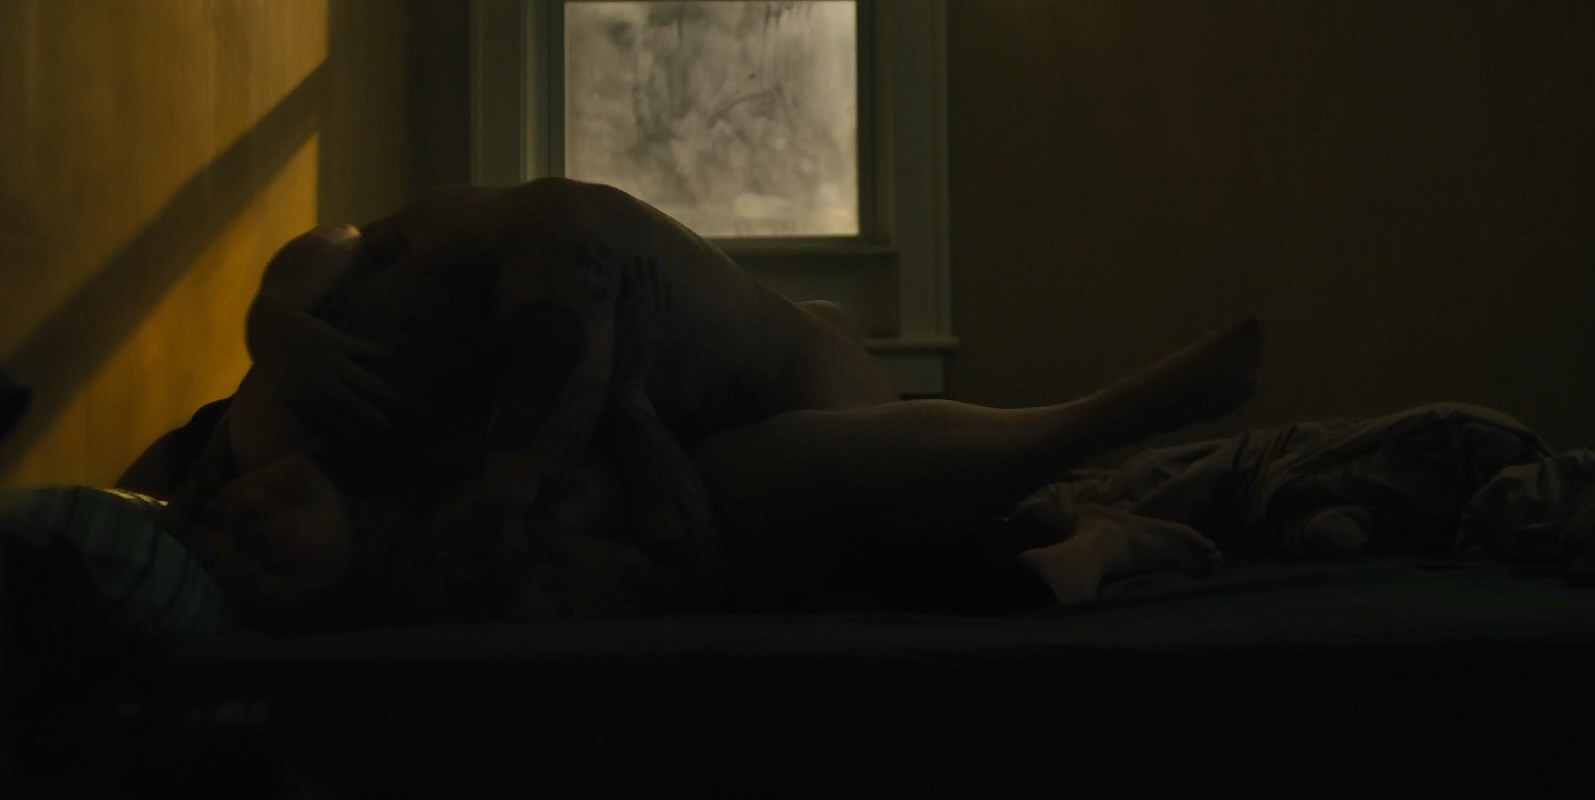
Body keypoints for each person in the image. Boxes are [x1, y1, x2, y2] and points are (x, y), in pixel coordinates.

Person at [120, 178, 1263, 630]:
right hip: (683, 445)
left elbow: (359, 236)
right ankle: (1100, 488)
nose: (239, 510)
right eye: (245, 552)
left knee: (618, 272)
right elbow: (686, 559)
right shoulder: (458, 573)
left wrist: (274, 312)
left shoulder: (282, 407)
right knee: (808, 483)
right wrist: (623, 418)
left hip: (688, 347)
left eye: (212, 507)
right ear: (298, 611)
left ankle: (1080, 491)